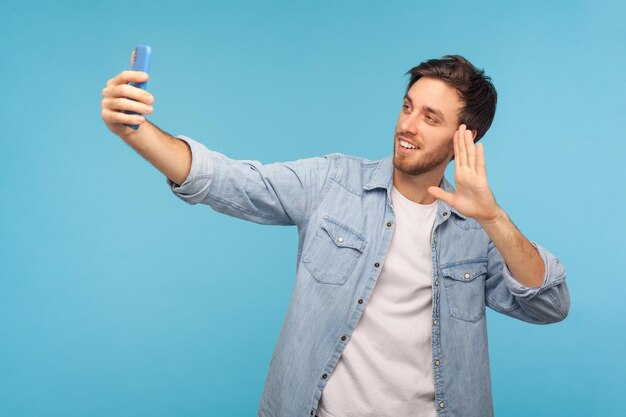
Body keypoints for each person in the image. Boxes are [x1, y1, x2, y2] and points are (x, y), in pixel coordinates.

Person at [101, 54, 570, 417]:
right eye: (408, 107)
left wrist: (493, 219)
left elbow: (549, 304)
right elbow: (232, 183)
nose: (407, 125)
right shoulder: (333, 184)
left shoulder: (476, 231)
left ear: (463, 139)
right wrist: (136, 132)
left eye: (431, 117)